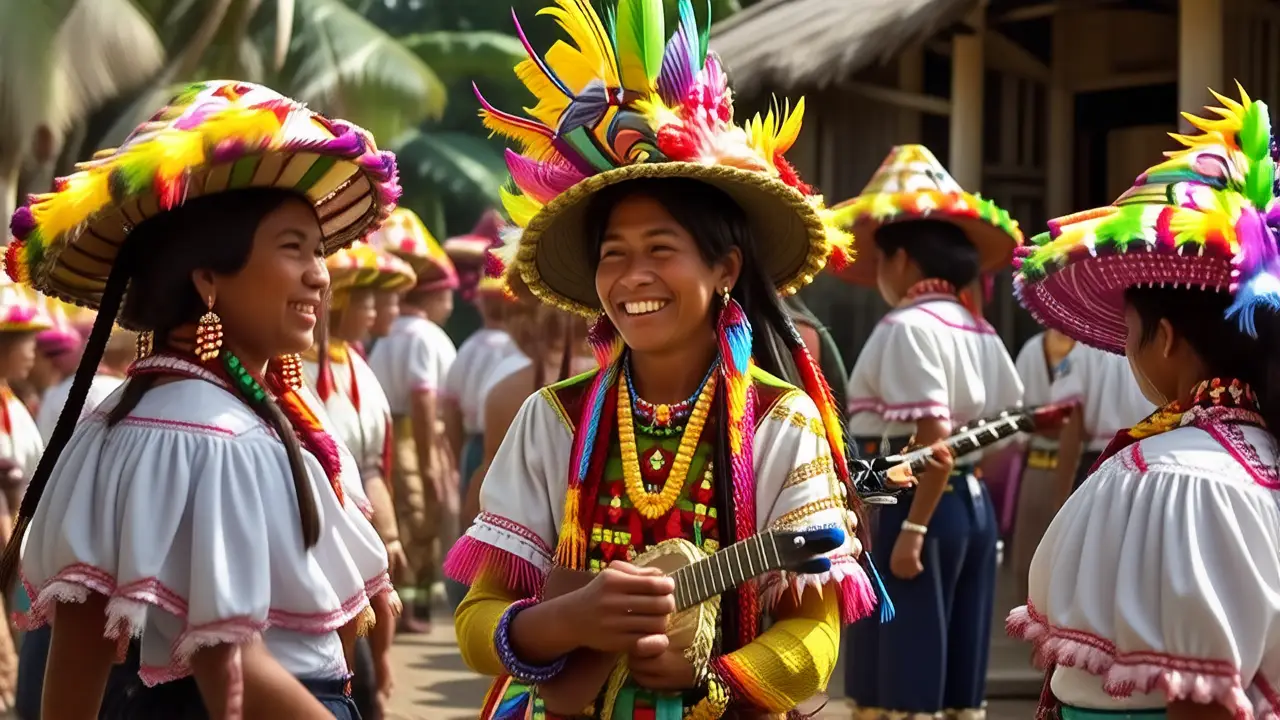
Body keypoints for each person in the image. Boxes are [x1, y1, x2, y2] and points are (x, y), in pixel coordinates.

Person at [441, 1, 921, 716]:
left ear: (724, 269)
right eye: (614, 256)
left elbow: (816, 633)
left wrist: (714, 678)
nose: (633, 278)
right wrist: (563, 622)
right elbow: (480, 618)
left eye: (660, 250)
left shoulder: (779, 420)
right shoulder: (554, 420)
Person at [1, 80, 400, 719]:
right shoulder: (215, 434)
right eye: (292, 247)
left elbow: (76, 650)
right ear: (209, 278)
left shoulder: (129, 421)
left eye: (319, 249)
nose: (319, 274)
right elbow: (236, 668)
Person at [1008, 86, 1280, 720]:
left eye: (1128, 331)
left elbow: (1200, 704)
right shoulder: (1257, 459)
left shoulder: (1173, 476)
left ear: (1162, 338)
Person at [836, 144, 1025, 719]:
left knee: (903, 671)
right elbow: (1002, 436)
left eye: (882, 262)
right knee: (955, 667)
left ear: (902, 263)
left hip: (909, 504)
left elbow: (934, 440)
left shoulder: (905, 327)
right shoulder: (981, 331)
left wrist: (912, 525)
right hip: (968, 507)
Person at [302, 239, 418, 719]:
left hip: (364, 540)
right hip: (324, 548)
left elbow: (370, 464)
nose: (374, 308)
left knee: (366, 687)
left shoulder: (358, 366)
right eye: (365, 295)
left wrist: (387, 531)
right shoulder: (295, 372)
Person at [366, 207, 460, 633]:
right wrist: (429, 459)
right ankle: (407, 609)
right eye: (447, 297)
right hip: (411, 433)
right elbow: (424, 402)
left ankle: (404, 604)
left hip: (393, 430)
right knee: (418, 515)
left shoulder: (386, 335)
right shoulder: (423, 337)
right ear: (434, 297)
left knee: (405, 515)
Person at [1008, 328, 1074, 602]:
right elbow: (1015, 410)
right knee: (1029, 564)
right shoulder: (1033, 349)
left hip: (1081, 468)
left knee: (1071, 570)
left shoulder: (1093, 348)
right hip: (1039, 464)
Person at [1047, 341, 1153, 505]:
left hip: (1100, 469)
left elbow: (1070, 432)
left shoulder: (1082, 352)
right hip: (1153, 465)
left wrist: (1061, 502)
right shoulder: (1157, 349)